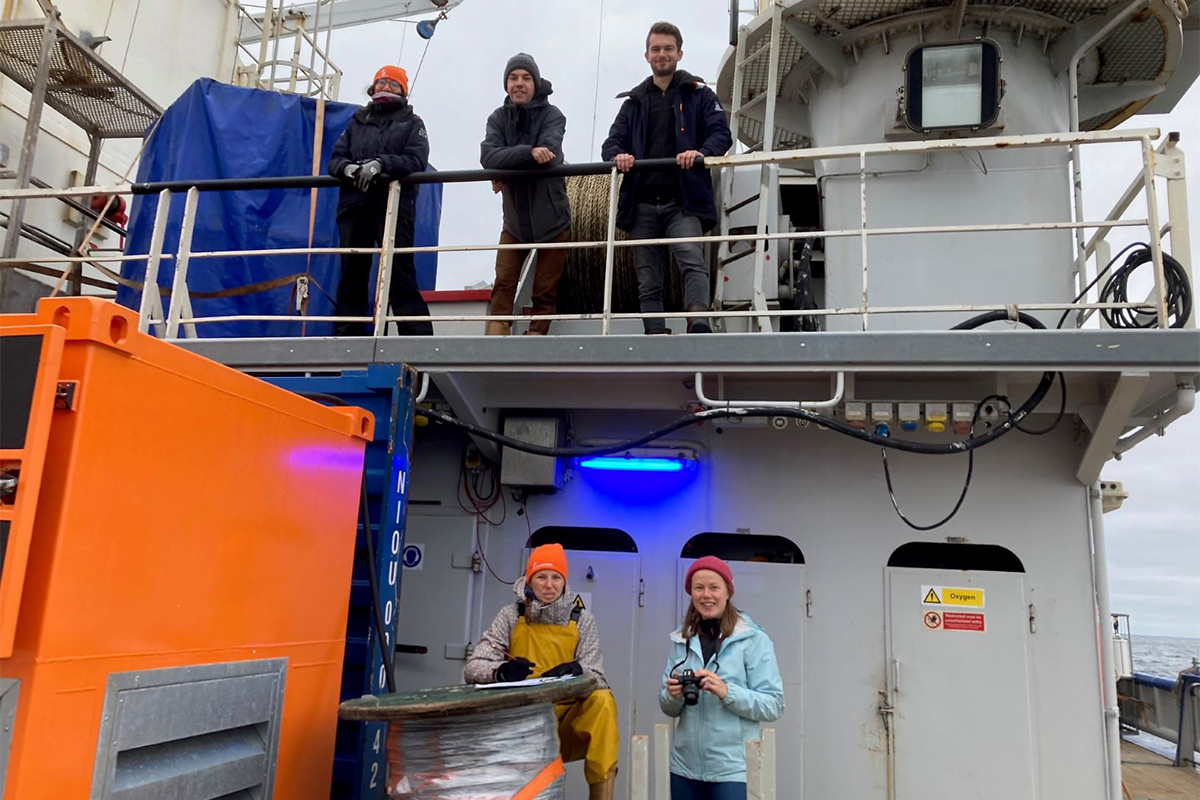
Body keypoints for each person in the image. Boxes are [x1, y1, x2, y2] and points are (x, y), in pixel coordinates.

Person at [601, 21, 733, 335]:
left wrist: (700, 153)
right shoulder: (632, 104)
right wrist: (619, 157)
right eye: (656, 49)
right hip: (642, 202)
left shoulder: (700, 95)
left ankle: (698, 322)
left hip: (682, 201)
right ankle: (655, 330)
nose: (662, 54)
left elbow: (721, 134)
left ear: (680, 53)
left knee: (691, 259)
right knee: (647, 275)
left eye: (668, 49)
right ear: (646, 56)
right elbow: (611, 145)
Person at [464, 544, 619, 799]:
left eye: (556, 577)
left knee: (603, 701)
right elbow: (473, 668)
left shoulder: (582, 620)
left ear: (564, 581)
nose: (549, 585)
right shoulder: (511, 615)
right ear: (529, 580)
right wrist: (501, 671)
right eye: (541, 576)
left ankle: (602, 794)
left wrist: (581, 670)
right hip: (518, 725)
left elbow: (599, 678)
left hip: (564, 725)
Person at [660, 556, 784, 800]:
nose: (707, 595)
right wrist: (673, 695)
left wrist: (727, 692)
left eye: (714, 587)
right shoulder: (680, 640)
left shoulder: (753, 640)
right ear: (691, 593)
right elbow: (667, 708)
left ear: (728, 591)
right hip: (684, 768)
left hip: (734, 771)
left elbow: (774, 705)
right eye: (699, 588)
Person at [328, 65, 433, 336]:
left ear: (403, 90)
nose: (385, 87)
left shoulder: (413, 123)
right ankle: (347, 340)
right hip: (355, 206)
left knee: (400, 275)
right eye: (381, 82)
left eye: (392, 84)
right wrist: (349, 169)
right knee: (352, 274)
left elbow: (416, 160)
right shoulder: (357, 121)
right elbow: (336, 158)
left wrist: (380, 164)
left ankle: (418, 343)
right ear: (373, 87)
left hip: (393, 207)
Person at [480, 53, 572, 335]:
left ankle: (536, 333)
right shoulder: (497, 118)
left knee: (545, 288)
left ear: (536, 82)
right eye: (513, 78)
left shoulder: (553, 115)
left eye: (526, 78)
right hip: (515, 223)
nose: (519, 83)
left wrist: (505, 167)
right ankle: (497, 334)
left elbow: (550, 154)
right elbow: (487, 155)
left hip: (553, 221)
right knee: (504, 280)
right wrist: (527, 153)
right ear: (506, 84)